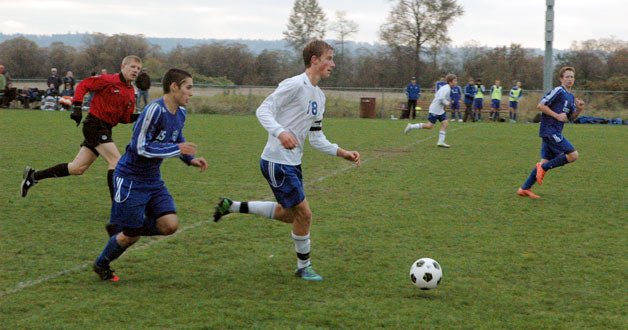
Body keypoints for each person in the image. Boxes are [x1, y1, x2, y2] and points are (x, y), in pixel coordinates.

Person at [212, 40, 361, 282]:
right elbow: (263, 110)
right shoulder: (293, 85)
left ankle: (233, 206)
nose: (332, 64)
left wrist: (341, 152)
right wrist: (281, 132)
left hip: (292, 163)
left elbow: (316, 137)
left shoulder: (319, 97)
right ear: (314, 60)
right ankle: (304, 267)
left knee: (289, 214)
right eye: (329, 58)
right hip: (276, 161)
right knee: (305, 214)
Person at [92, 68, 208, 281]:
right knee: (130, 236)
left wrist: (190, 159)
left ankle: (124, 226)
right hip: (130, 178)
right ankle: (102, 263)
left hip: (153, 180)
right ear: (174, 87)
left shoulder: (180, 113)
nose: (191, 93)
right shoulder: (154, 110)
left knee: (170, 225)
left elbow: (176, 139)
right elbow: (140, 148)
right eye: (188, 88)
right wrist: (177, 150)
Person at [20, 56, 143, 199]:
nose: (135, 70)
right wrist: (77, 106)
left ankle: (33, 176)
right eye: (132, 67)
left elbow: (124, 118)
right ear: (123, 66)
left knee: (77, 168)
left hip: (105, 129)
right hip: (94, 125)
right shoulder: (108, 80)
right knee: (116, 161)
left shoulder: (130, 93)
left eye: (138, 69)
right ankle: (118, 208)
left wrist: (140, 116)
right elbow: (83, 85)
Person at [517, 66, 585, 199]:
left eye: (572, 77)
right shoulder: (558, 91)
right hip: (549, 131)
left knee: (544, 161)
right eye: (567, 77)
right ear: (561, 79)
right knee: (573, 155)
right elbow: (541, 105)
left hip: (555, 132)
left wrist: (579, 110)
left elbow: (570, 118)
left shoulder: (571, 97)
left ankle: (524, 188)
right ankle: (544, 168)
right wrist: (556, 115)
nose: (570, 79)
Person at [404, 73, 457, 148]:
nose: (456, 82)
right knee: (429, 126)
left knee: (445, 123)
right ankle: (411, 126)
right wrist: (448, 103)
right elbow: (441, 98)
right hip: (435, 109)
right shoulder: (446, 88)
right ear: (450, 81)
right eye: (455, 80)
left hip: (440, 110)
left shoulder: (447, 88)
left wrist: (446, 104)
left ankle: (441, 142)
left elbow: (439, 97)